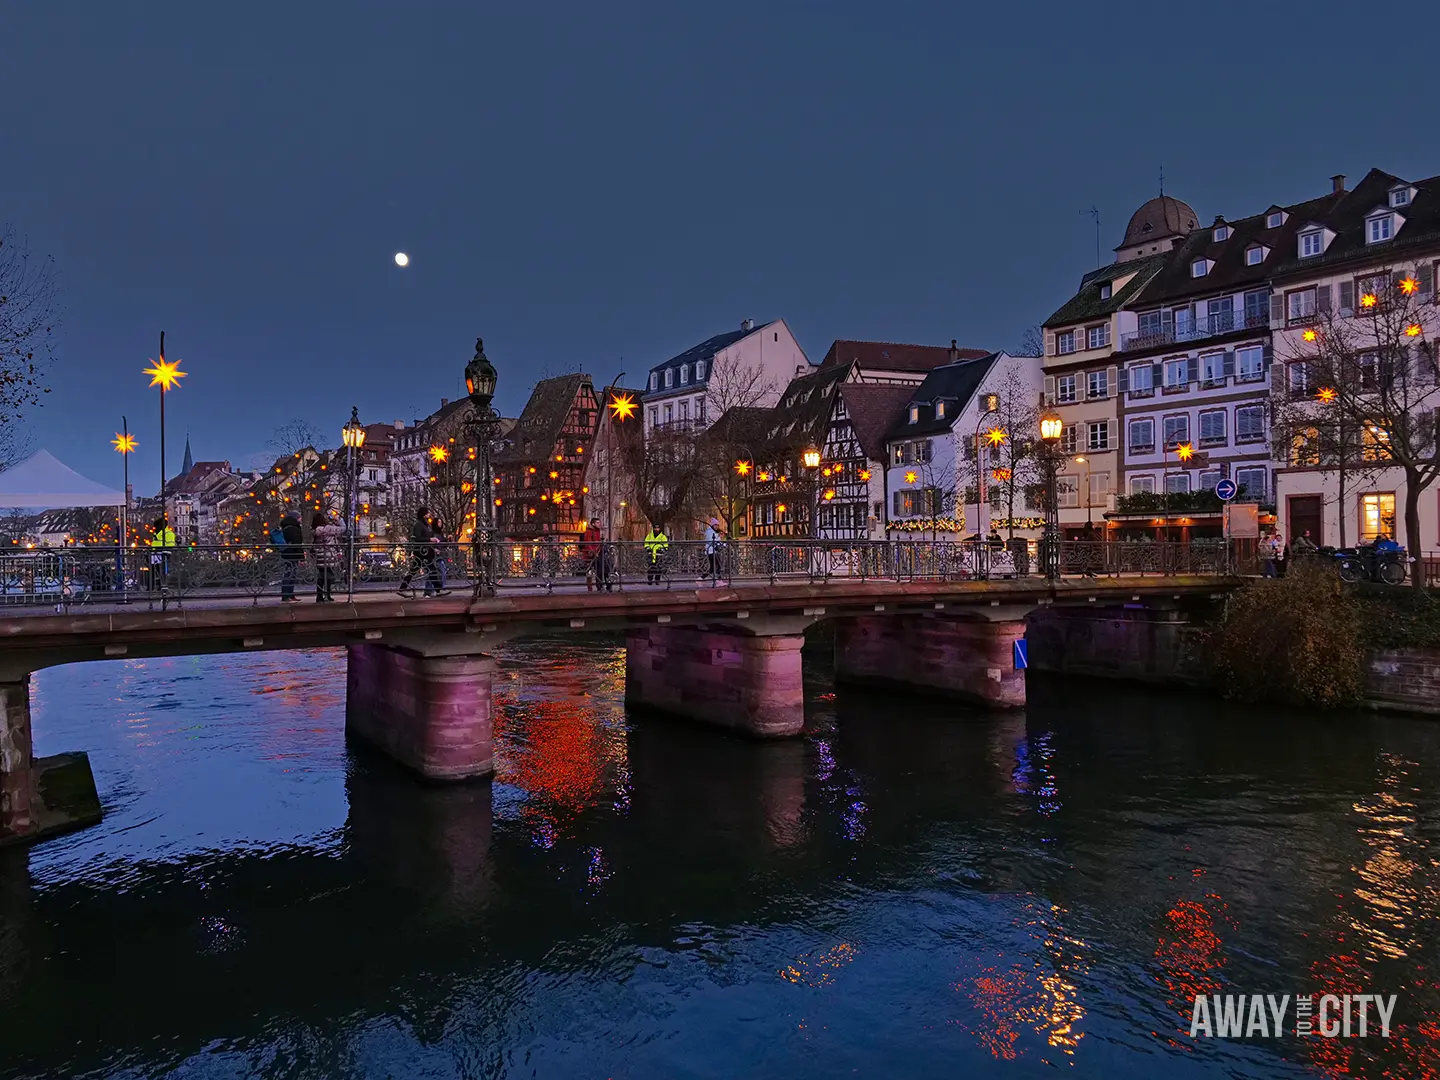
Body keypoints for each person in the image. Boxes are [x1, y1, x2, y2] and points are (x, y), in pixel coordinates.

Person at [398, 507, 444, 596]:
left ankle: (402, 588)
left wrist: (432, 546)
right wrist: (430, 539)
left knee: (418, 571)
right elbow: (418, 538)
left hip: (425, 551)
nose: (429, 514)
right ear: (424, 514)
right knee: (431, 570)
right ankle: (438, 590)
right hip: (421, 552)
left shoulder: (425, 524)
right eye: (427, 513)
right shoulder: (419, 525)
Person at [311, 512, 344, 602]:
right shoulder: (328, 529)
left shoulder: (315, 530)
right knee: (329, 575)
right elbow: (343, 529)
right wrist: (339, 520)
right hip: (329, 555)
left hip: (320, 556)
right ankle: (327, 594)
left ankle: (319, 595)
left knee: (322, 575)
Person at [147, 515, 176, 590]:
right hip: (155, 555)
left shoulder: (168, 534)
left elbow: (170, 545)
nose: (155, 528)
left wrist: (165, 553)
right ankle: (151, 586)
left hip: (162, 555)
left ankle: (161, 586)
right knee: (152, 572)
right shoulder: (157, 533)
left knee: (161, 572)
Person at [581, 518, 603, 592]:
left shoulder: (597, 531)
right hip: (589, 555)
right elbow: (588, 543)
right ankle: (590, 588)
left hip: (596, 553)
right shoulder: (589, 531)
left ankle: (599, 586)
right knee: (589, 572)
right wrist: (593, 552)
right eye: (597, 522)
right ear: (593, 524)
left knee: (599, 570)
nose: (599, 524)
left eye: (599, 522)